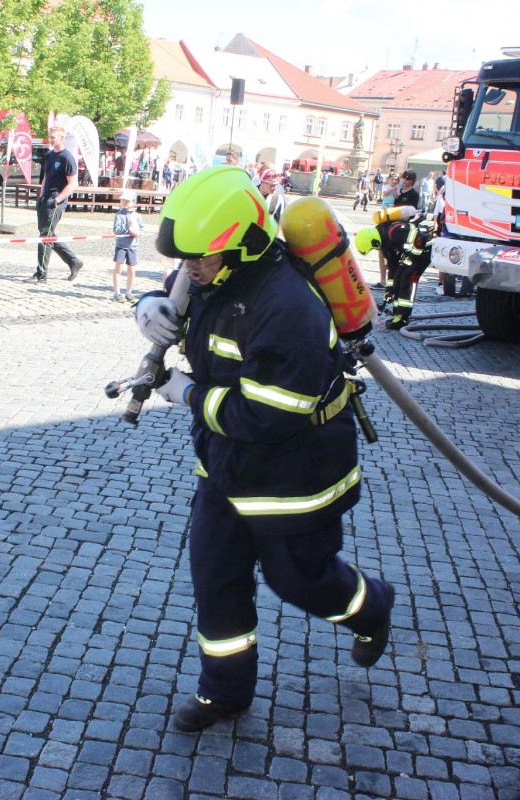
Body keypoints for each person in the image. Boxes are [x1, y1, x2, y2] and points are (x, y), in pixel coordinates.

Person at [134, 165, 396, 732]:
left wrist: (184, 393)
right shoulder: (215, 273)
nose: (191, 269)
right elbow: (188, 290)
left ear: (243, 245)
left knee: (299, 580)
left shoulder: (288, 307)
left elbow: (267, 413)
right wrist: (150, 303)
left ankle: (371, 606)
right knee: (215, 579)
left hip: (293, 478)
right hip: (225, 470)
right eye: (188, 259)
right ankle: (223, 690)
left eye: (201, 258)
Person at [23, 126, 83, 283]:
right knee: (47, 235)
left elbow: (72, 183)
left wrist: (57, 199)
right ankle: (73, 261)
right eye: (49, 136)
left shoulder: (67, 158)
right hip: (45, 199)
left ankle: (41, 274)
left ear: (61, 138)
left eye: (53, 137)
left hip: (56, 201)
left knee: (45, 236)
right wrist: (42, 197)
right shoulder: (49, 155)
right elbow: (45, 179)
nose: (50, 139)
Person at [110, 190, 142, 302]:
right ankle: (117, 292)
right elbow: (116, 230)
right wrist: (128, 228)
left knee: (132, 270)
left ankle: (129, 292)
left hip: (133, 246)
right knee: (118, 269)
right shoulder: (119, 215)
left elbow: (141, 228)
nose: (124, 203)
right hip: (121, 245)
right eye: (123, 200)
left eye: (127, 201)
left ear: (134, 202)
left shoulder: (137, 216)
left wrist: (138, 231)